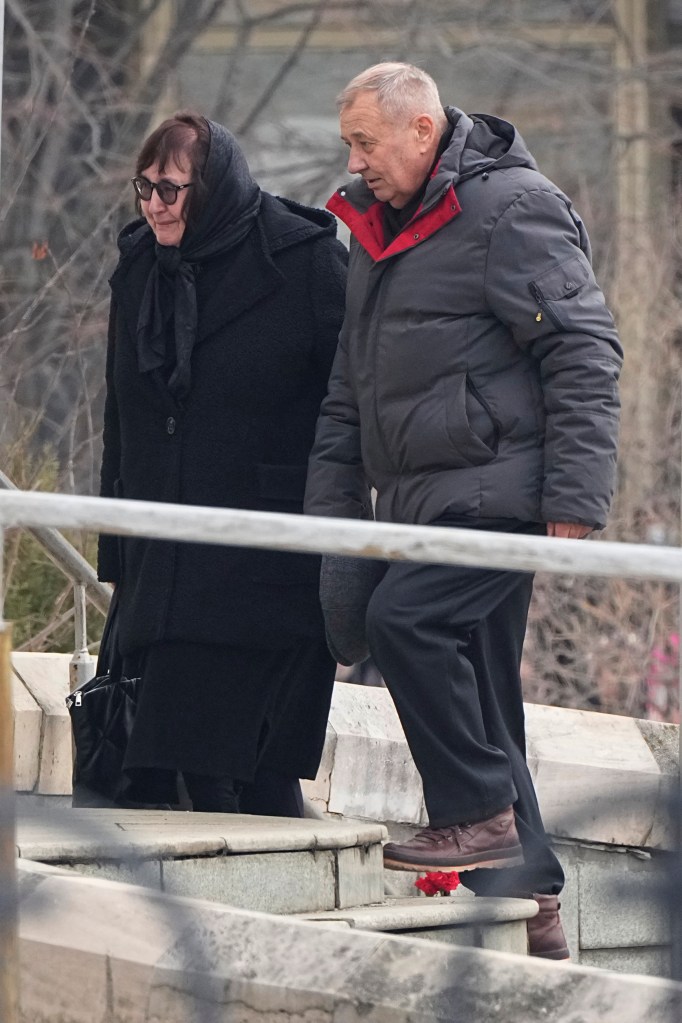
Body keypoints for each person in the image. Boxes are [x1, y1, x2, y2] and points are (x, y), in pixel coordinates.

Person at [304, 63, 622, 959]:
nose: (356, 160)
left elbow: (586, 350)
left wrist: (574, 499)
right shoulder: (378, 230)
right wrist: (336, 523)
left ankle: (478, 814)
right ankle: (537, 912)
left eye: (367, 142)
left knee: (404, 623)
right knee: (484, 698)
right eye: (349, 145)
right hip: (420, 502)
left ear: (421, 129)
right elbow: (348, 394)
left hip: (500, 494)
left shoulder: (511, 209)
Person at [97, 111, 347, 815]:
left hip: (265, 556)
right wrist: (114, 549)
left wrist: (343, 524)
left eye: (171, 190)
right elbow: (121, 410)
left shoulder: (305, 262)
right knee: (171, 772)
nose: (153, 205)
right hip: (163, 551)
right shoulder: (142, 264)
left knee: (239, 769)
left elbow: (354, 403)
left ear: (211, 189)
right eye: (143, 188)